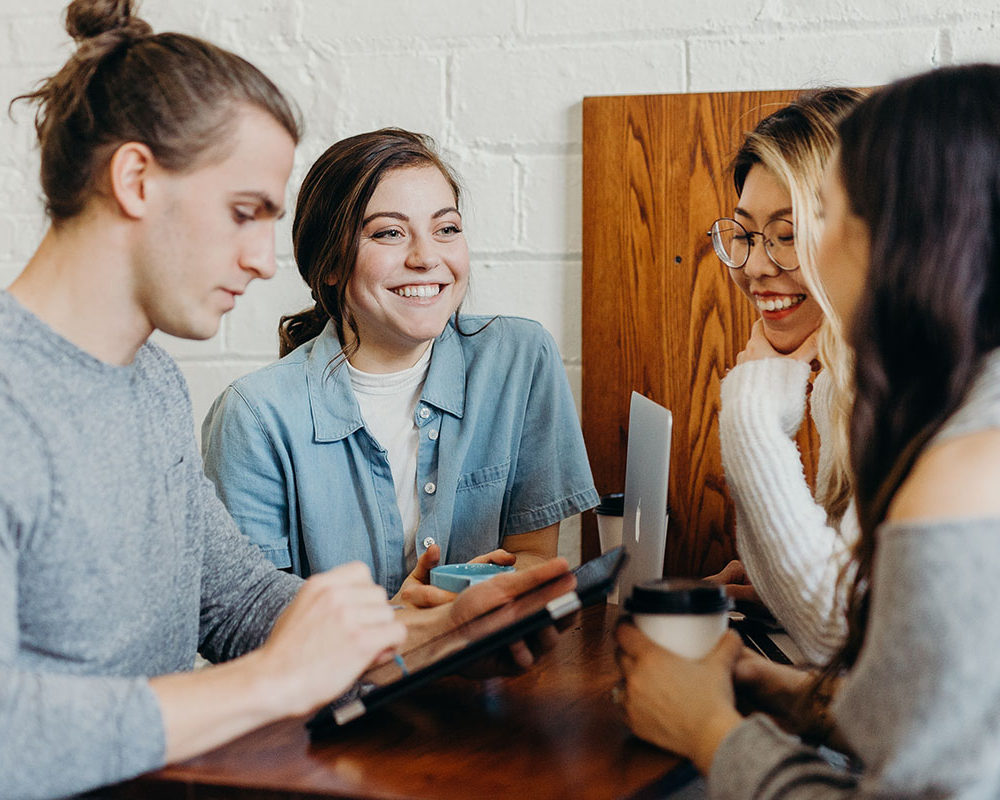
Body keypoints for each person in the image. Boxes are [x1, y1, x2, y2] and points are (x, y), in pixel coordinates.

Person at [0, 3, 571, 798]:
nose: (267, 262)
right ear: (135, 180)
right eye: (244, 213)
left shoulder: (150, 383)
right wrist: (276, 680)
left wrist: (420, 630)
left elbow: (234, 601)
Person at [617, 63, 1000, 798]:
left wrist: (709, 731)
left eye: (822, 218)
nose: (774, 263)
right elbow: (940, 722)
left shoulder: (961, 468)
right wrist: (802, 700)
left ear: (907, 237)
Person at [201, 128, 599, 603]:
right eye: (389, 233)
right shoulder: (254, 416)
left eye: (446, 229)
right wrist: (403, 623)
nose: (427, 257)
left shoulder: (519, 359)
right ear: (329, 263)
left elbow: (534, 556)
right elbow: (251, 621)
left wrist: (478, 595)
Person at [704, 89, 865, 664]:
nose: (754, 266)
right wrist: (777, 586)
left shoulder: (910, 390)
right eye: (745, 234)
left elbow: (838, 634)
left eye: (788, 234)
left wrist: (751, 411)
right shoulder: (842, 382)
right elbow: (852, 610)